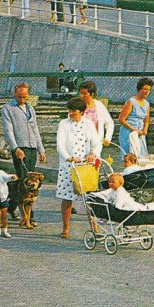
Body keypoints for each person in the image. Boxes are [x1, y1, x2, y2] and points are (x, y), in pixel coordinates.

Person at [55, 97, 102, 239]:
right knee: (67, 198)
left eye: (73, 111)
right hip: (69, 166)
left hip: (85, 167)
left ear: (82, 112)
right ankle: (66, 228)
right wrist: (68, 157)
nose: (70, 113)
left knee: (90, 199)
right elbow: (60, 145)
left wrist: (93, 153)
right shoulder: (63, 124)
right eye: (69, 110)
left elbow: (97, 143)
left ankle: (95, 228)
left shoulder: (88, 124)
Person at [1, 82, 46, 222]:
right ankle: (28, 215)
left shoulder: (30, 108)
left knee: (31, 179)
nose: (22, 100)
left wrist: (41, 149)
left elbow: (35, 129)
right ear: (15, 93)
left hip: (32, 146)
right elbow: (8, 130)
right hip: (20, 147)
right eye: (20, 97)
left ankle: (10, 207)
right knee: (24, 180)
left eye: (25, 97)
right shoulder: (8, 108)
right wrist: (15, 148)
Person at [118, 78, 153, 158]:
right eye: (145, 89)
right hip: (129, 132)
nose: (147, 91)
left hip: (140, 133)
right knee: (129, 156)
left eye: (149, 90)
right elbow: (121, 119)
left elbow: (146, 120)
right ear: (139, 89)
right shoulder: (131, 102)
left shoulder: (147, 104)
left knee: (141, 155)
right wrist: (135, 130)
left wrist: (145, 129)